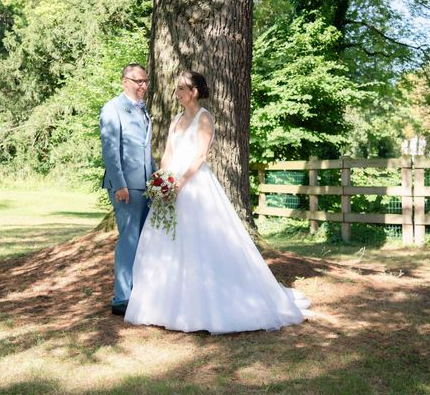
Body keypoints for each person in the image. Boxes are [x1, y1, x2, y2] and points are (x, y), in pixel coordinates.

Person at [125, 70, 310, 334]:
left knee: (199, 243)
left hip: (195, 185)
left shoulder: (204, 118)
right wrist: (163, 180)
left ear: (194, 92)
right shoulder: (176, 119)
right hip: (171, 184)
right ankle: (160, 306)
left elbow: (200, 155)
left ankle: (205, 307)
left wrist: (180, 182)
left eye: (181, 88)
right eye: (176, 88)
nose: (176, 93)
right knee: (165, 242)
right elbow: (168, 153)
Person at [100, 63, 155, 316]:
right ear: (125, 81)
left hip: (146, 186)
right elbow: (110, 151)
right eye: (137, 81)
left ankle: (140, 292)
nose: (142, 85)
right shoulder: (113, 108)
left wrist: (157, 181)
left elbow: (145, 150)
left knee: (144, 241)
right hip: (125, 187)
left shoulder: (143, 111)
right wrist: (120, 184)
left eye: (145, 81)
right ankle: (122, 297)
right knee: (129, 240)